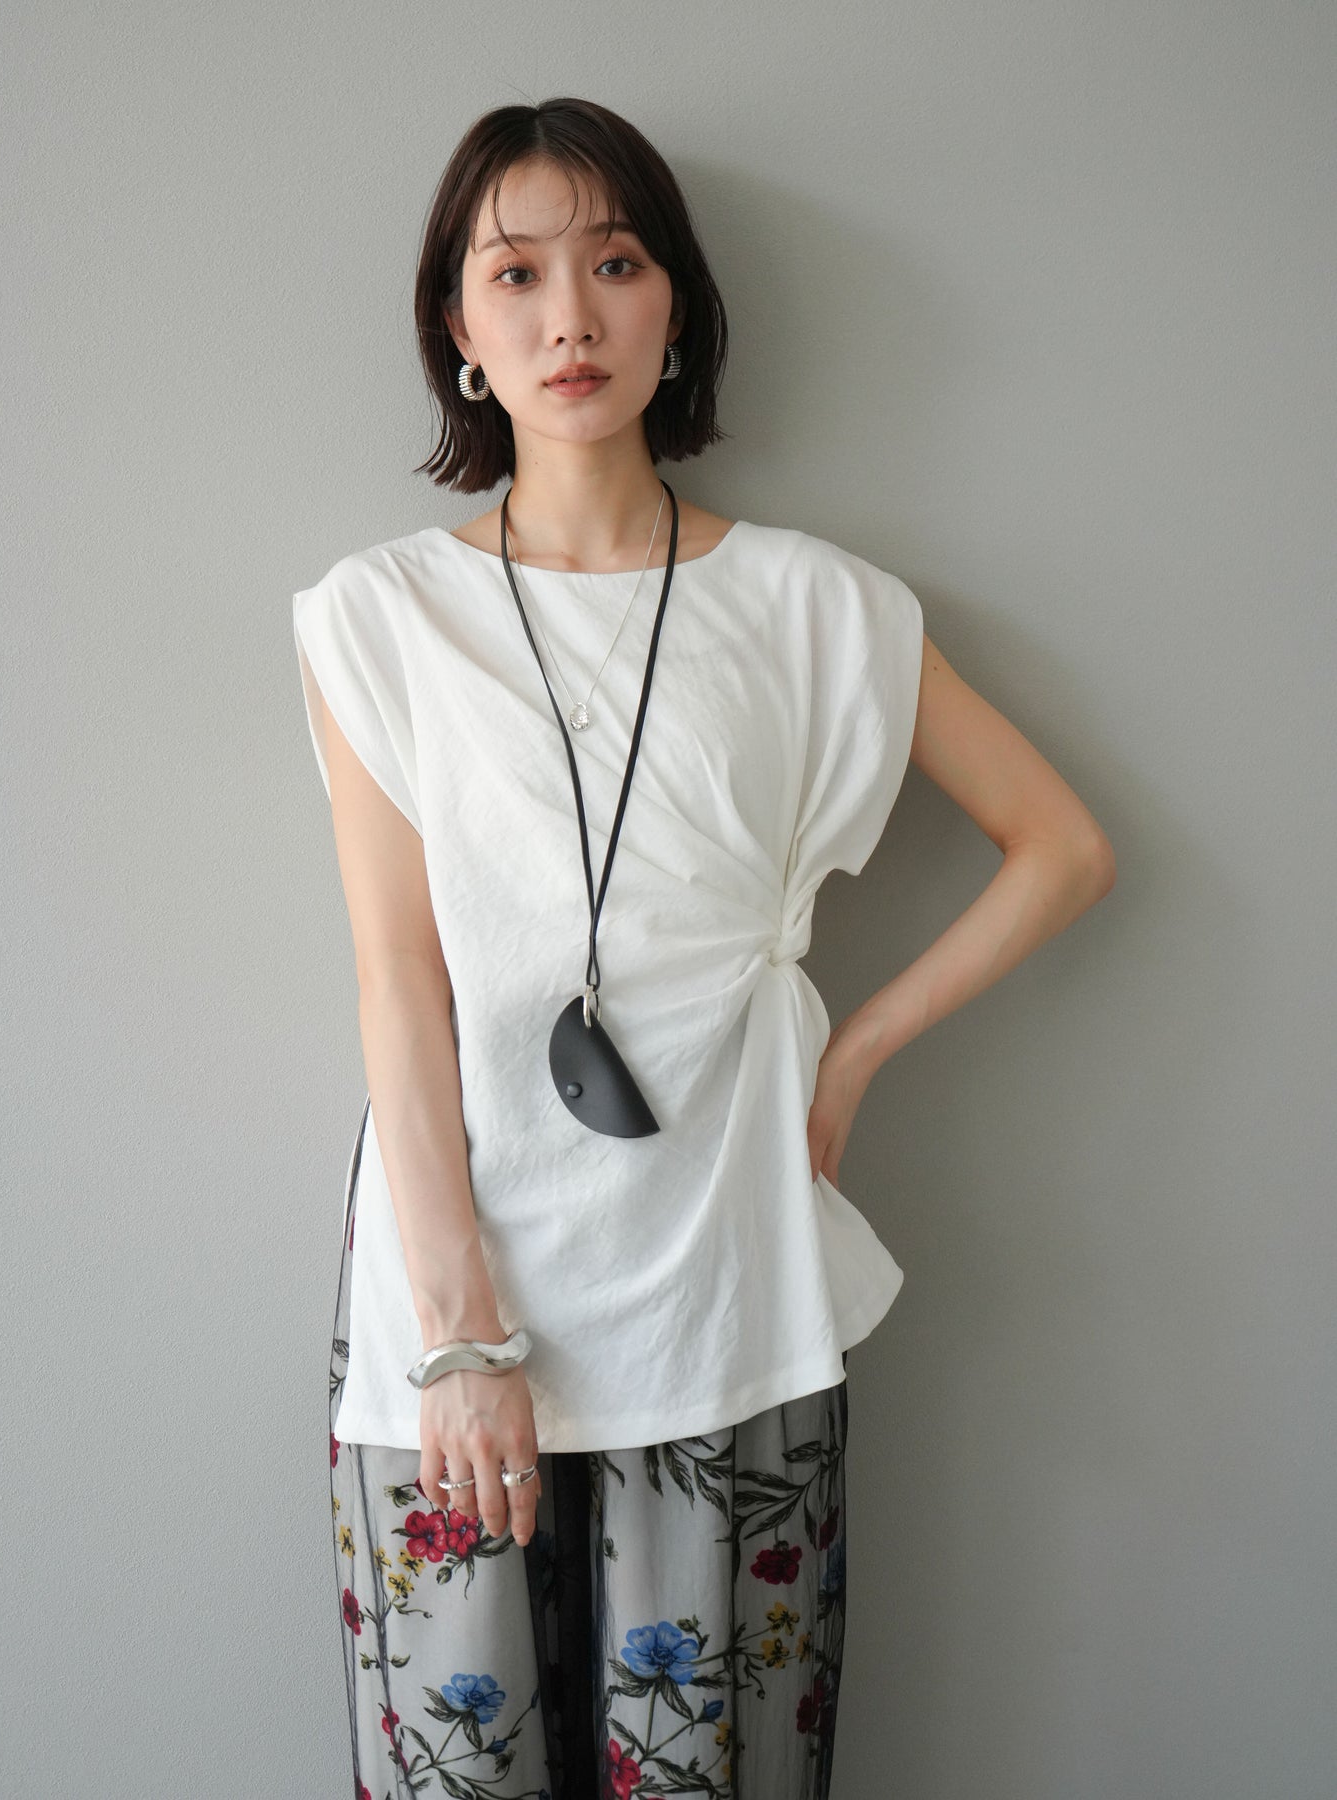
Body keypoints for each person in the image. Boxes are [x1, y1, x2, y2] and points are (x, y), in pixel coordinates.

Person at [292, 96, 1114, 1800]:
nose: (569, 318)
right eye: (515, 274)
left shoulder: (816, 605)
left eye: (614, 264)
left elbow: (1062, 849)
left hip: (726, 1286)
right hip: (455, 1297)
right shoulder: (380, 616)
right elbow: (400, 979)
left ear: (676, 305)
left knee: (710, 1770)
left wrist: (852, 1053)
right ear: (459, 331)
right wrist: (460, 1338)